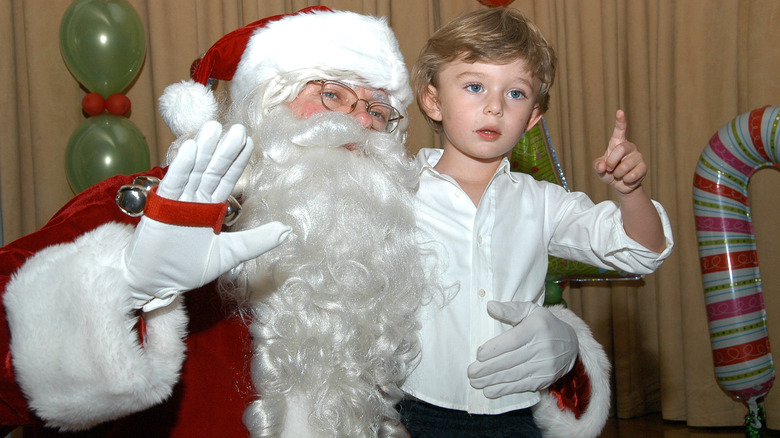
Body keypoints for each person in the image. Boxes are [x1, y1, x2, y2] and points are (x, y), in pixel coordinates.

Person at [0, 6, 430, 437]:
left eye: (377, 111)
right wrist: (127, 288)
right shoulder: (156, 203)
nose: (359, 121)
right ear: (265, 100)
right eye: (332, 95)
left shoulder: (382, 242)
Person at [399, 7, 674, 438]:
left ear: (532, 117)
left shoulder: (544, 202)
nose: (494, 106)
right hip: (415, 411)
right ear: (432, 100)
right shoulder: (396, 192)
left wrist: (631, 191)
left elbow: (641, 251)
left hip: (516, 416)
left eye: (515, 94)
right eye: (475, 86)